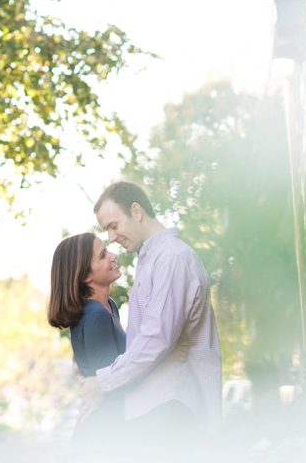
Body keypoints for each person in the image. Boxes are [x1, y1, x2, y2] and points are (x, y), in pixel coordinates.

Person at [78, 181, 222, 440]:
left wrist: (102, 381)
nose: (111, 237)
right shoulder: (153, 259)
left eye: (114, 226)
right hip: (157, 410)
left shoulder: (171, 258)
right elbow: (152, 341)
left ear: (136, 211)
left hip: (169, 407)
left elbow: (156, 337)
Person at [47, 232, 127, 441]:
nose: (113, 256)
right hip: (102, 436)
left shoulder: (109, 307)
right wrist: (165, 357)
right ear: (85, 276)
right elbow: (114, 383)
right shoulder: (95, 316)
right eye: (102, 255)